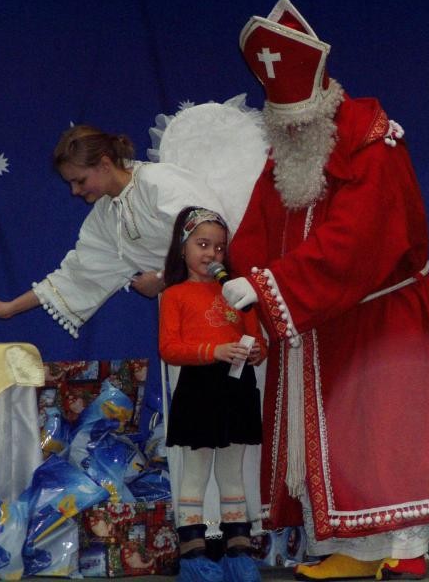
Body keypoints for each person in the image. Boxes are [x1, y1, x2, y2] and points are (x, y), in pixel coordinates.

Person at [221, 0, 429, 581]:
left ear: (326, 102)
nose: (292, 132)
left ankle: (405, 549)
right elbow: (258, 228)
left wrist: (270, 286)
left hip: (380, 318)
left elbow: (359, 240)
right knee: (342, 444)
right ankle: (359, 549)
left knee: (385, 433)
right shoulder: (288, 155)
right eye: (283, 124)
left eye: (301, 122)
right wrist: (239, 275)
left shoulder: (373, 144)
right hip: (319, 319)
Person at [0, 124, 226, 337]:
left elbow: (211, 235)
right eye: (71, 183)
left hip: (224, 297)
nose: (75, 191)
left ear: (105, 164)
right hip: (185, 312)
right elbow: (77, 275)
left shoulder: (157, 182)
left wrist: (163, 278)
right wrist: (10, 307)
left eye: (80, 180)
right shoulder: (106, 217)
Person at [159, 206, 268, 582]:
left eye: (219, 247)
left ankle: (239, 552)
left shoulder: (237, 292)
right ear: (182, 248)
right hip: (199, 390)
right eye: (202, 244)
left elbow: (257, 339)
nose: (212, 254)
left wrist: (256, 351)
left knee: (232, 474)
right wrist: (214, 351)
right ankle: (193, 555)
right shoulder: (174, 295)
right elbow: (169, 348)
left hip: (237, 388)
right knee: (195, 473)